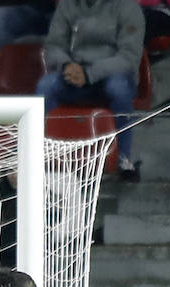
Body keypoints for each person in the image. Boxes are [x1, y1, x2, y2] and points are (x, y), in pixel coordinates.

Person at [38, 0, 144, 182]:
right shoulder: (67, 5)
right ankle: (40, 156)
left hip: (112, 73)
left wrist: (90, 73)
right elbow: (53, 46)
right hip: (75, 72)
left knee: (117, 88)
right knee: (46, 86)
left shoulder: (128, 6)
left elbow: (129, 57)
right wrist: (66, 65)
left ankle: (123, 159)